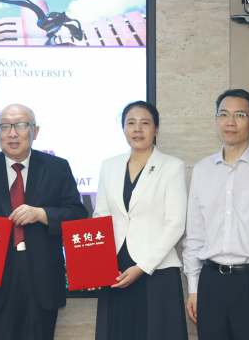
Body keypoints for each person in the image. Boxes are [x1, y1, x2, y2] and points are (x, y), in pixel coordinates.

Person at [0, 103, 87, 340]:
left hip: (42, 279)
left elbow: (77, 215)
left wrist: (42, 214)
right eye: (5, 126)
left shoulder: (57, 168)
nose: (12, 133)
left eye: (20, 125)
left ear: (35, 131)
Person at [183, 89, 249, 340]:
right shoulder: (202, 170)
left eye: (239, 115)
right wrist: (194, 287)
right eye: (224, 114)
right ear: (216, 120)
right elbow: (195, 234)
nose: (230, 122)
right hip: (211, 282)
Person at [91, 101, 188, 340]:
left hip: (155, 269)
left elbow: (175, 224)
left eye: (145, 123)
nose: (137, 129)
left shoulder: (172, 166)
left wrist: (142, 267)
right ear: (123, 129)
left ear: (156, 129)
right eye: (130, 123)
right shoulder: (109, 166)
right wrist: (96, 266)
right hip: (114, 268)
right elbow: (101, 216)